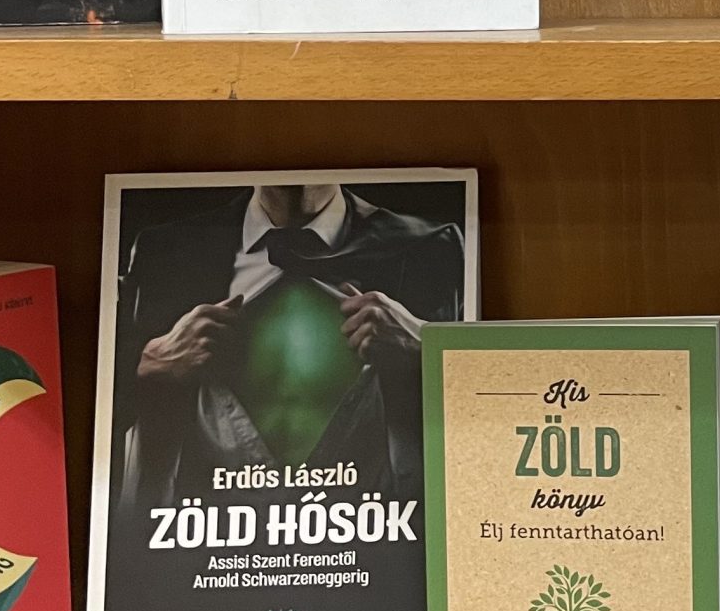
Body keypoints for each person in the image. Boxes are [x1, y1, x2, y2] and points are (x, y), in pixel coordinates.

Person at [107, 181, 465, 516]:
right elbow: (97, 406)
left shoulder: (428, 247)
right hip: (203, 526)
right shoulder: (167, 249)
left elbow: (480, 413)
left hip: (375, 522)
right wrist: (147, 362)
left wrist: (427, 347)